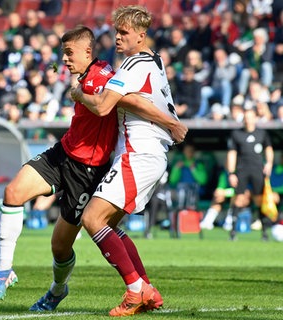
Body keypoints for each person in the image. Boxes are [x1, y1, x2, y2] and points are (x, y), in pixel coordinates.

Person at [0, 24, 187, 307]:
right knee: (12, 193)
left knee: (60, 246)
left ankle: (58, 290)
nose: (65, 59)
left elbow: (130, 102)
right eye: (63, 54)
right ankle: (4, 271)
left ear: (88, 52)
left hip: (88, 172)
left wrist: (170, 123)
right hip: (63, 153)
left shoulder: (105, 77)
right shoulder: (85, 75)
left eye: (70, 53)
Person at [35, 6, 181, 316]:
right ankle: (146, 288)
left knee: (93, 219)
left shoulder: (132, 66)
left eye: (124, 33)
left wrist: (79, 95)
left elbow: (102, 107)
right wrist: (171, 122)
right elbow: (134, 101)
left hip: (138, 152)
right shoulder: (154, 62)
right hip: (148, 153)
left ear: (141, 36)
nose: (117, 37)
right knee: (109, 224)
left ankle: (134, 291)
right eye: (116, 32)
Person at [226, 105, 274, 241]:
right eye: (246, 118)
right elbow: (232, 154)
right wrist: (231, 172)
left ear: (255, 118)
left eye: (251, 117)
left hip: (257, 170)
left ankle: (264, 232)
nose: (248, 120)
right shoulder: (236, 134)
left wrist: (269, 163)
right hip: (242, 171)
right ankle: (233, 232)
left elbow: (269, 149)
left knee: (259, 200)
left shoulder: (262, 133)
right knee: (238, 199)